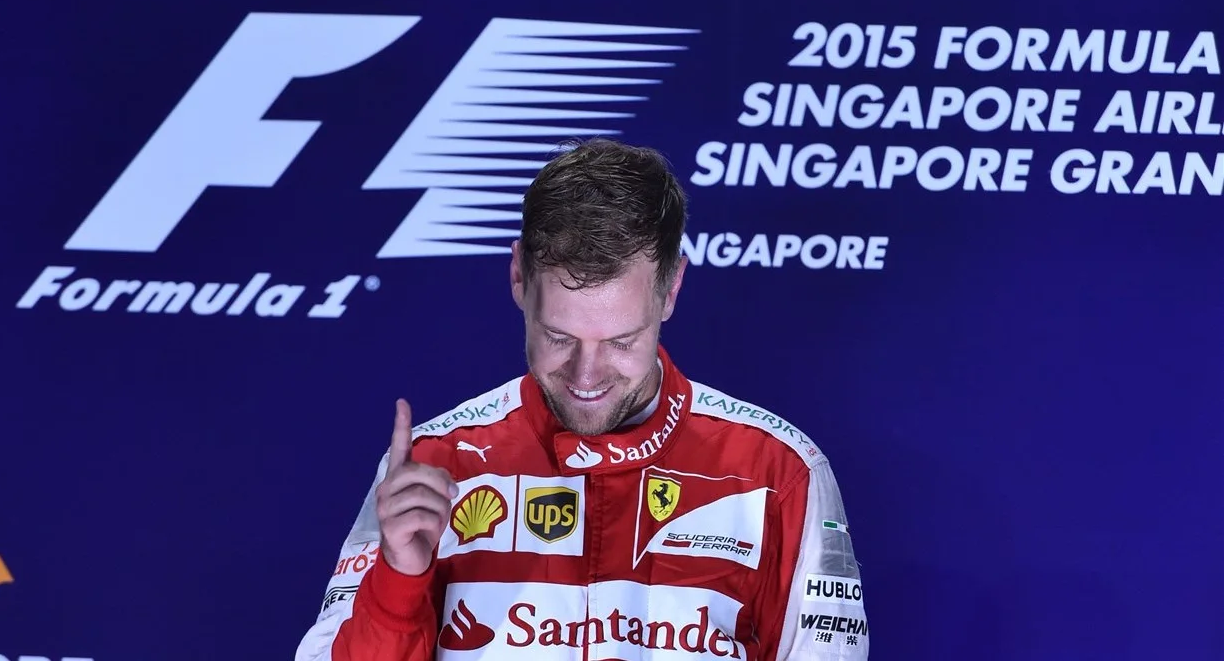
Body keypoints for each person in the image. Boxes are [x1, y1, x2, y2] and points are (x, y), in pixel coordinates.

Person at [294, 138, 869, 660]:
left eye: (621, 341)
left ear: (671, 290)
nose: (585, 375)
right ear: (518, 277)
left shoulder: (778, 474)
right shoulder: (432, 467)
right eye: (559, 338)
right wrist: (397, 585)